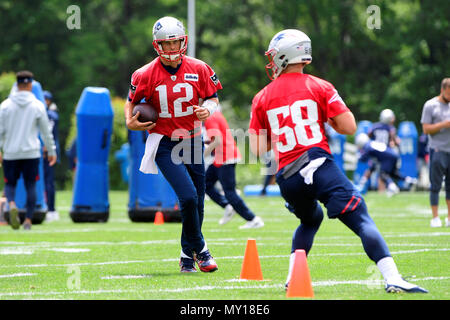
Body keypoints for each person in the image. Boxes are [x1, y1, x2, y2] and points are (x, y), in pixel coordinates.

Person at [249, 29, 427, 293]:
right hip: (318, 164)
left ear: (285, 55)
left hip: (287, 175)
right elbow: (349, 127)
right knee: (361, 218)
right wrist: (326, 119)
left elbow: (257, 149)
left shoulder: (261, 97)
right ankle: (393, 277)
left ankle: (292, 277)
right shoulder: (319, 86)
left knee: (310, 219)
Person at [124, 16, 221, 273]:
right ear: (157, 45)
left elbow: (213, 98)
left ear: (183, 40)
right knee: (188, 196)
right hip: (164, 142)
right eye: (166, 44)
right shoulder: (145, 73)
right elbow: (131, 102)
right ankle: (201, 249)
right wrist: (130, 121)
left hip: (191, 139)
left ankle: (185, 256)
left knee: (197, 202)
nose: (171, 49)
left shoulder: (199, 67)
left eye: (175, 42)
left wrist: (207, 110)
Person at [0, 71, 57, 230]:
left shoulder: (5, 106)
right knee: (31, 185)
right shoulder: (38, 105)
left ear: (16, 85)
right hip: (31, 152)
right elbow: (46, 131)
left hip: (11, 152)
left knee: (10, 184)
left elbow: (0, 130)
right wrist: (51, 150)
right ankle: (28, 221)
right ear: (30, 85)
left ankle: (11, 203)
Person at [203, 109, 264, 228]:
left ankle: (253, 219)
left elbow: (217, 140)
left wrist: (202, 154)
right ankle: (227, 206)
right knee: (206, 184)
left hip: (225, 157)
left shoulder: (210, 117)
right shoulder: (215, 114)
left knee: (229, 192)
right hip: (221, 157)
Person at [420, 78, 450, 228]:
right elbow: (426, 129)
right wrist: (444, 124)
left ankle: (449, 218)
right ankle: (435, 217)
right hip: (437, 149)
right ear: (443, 89)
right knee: (436, 185)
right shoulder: (431, 105)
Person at [43, 90, 60, 222]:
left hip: (44, 152)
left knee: (46, 182)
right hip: (51, 151)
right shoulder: (53, 115)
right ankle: (50, 209)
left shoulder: (44, 114)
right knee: (48, 182)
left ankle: (49, 208)